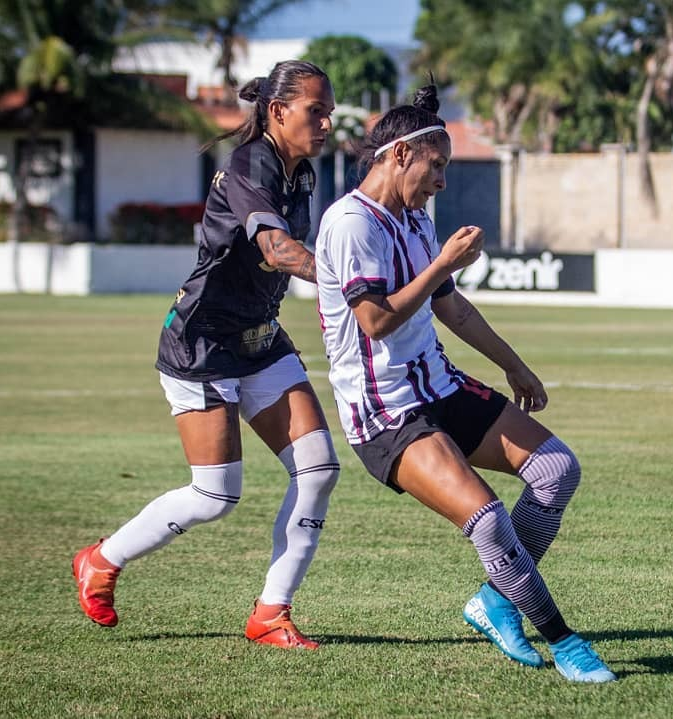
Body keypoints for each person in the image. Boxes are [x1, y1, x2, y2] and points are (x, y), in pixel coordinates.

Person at [313, 83, 616, 683]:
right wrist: (441, 266)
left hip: (440, 387)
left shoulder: (418, 221)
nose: (442, 182)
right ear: (400, 155)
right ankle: (565, 642)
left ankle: (497, 601)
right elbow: (374, 321)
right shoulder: (349, 223)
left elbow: (451, 309)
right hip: (386, 413)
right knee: (487, 519)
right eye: (437, 166)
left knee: (557, 469)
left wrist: (513, 362)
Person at [72, 60, 340, 650]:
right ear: (277, 112)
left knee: (318, 468)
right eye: (315, 111)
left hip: (259, 337)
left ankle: (271, 613)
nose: (326, 123)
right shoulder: (249, 164)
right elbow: (275, 246)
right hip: (202, 342)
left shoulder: (304, 176)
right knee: (215, 494)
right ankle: (100, 559)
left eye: (329, 112)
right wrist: (343, 280)